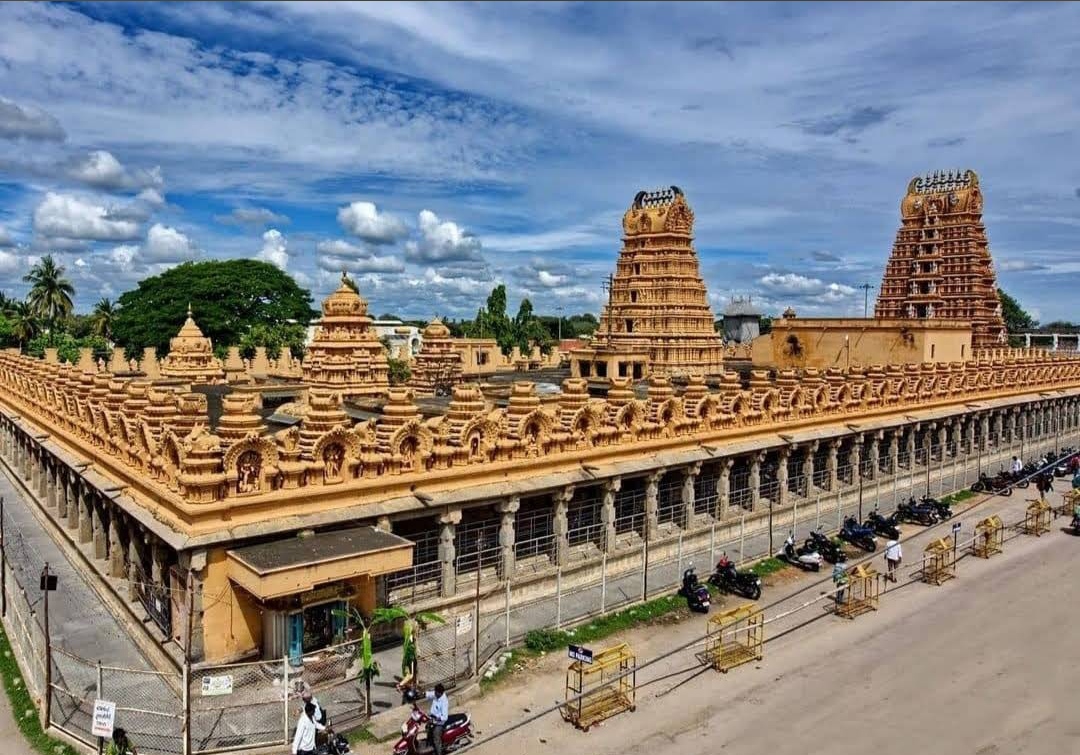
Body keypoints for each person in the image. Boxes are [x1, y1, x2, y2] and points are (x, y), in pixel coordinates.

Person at [425, 683, 450, 755]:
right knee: (427, 728)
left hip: (439, 724)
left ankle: (439, 753)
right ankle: (430, 747)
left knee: (436, 738)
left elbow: (445, 717)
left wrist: (436, 718)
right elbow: (428, 694)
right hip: (432, 719)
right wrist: (419, 694)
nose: (434, 693)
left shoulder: (444, 701)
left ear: (440, 693)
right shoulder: (436, 694)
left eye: (436, 692)